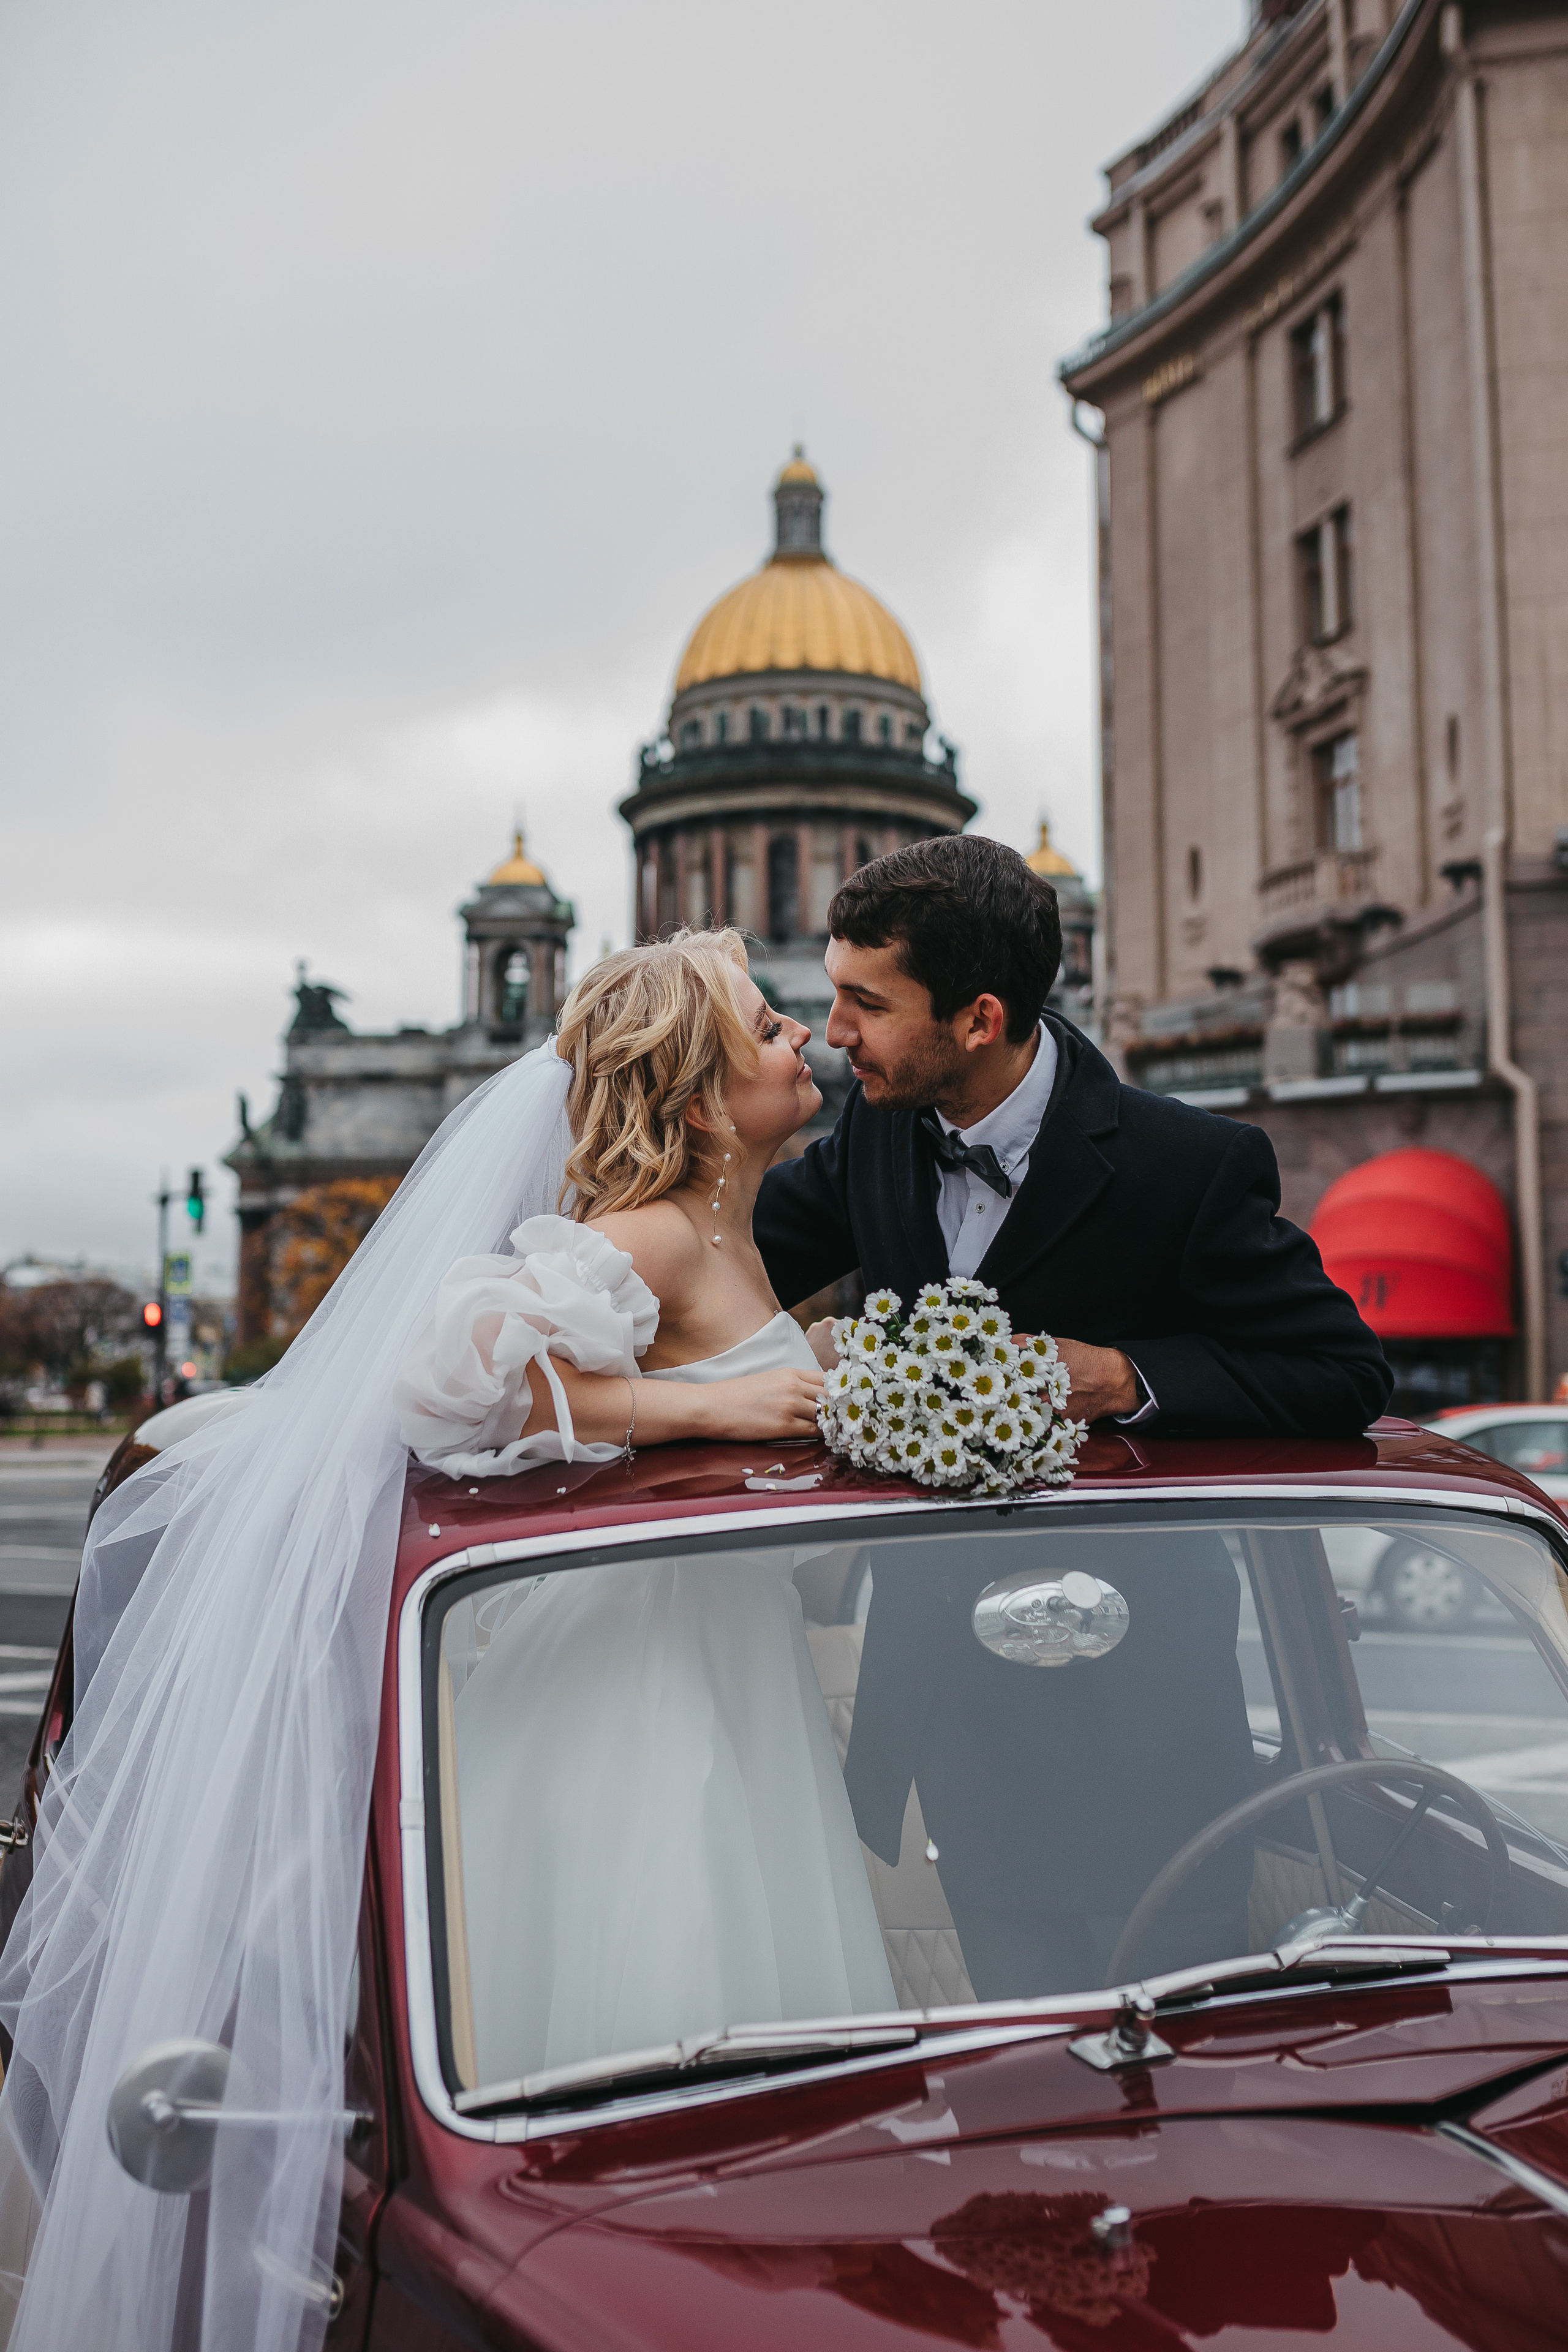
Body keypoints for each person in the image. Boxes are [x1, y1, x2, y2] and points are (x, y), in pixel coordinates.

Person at [0, 930, 868, 2352]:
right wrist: (703, 1411)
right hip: (638, 1697)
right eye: (770, 1029)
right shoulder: (649, 1227)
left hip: (724, 1672)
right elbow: (452, 1373)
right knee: (666, 1983)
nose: (803, 1043)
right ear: (706, 1095)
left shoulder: (728, 1223)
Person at [756, 832, 1393, 1437]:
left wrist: (1123, 1380)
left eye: (867, 1004)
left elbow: (1344, 1374)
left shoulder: (1192, 1165)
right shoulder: (877, 1123)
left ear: (980, 1021)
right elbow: (731, 1259)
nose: (835, 1032)